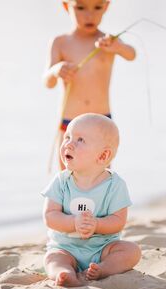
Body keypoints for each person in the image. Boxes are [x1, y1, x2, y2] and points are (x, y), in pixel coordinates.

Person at [41, 113, 141, 287]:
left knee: (132, 251)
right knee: (52, 258)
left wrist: (96, 225)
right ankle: (64, 272)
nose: (69, 144)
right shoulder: (61, 181)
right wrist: (73, 222)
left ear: (102, 156)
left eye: (80, 140)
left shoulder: (115, 185)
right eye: (68, 137)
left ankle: (103, 268)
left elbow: (118, 221)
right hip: (66, 248)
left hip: (102, 249)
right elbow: (50, 216)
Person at [43, 0, 136, 169]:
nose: (89, 15)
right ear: (66, 6)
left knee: (101, 180)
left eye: (97, 7)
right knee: (67, 180)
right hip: (70, 123)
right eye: (80, 7)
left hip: (101, 123)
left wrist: (118, 46)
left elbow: (131, 54)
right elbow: (47, 82)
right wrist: (57, 70)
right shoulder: (61, 42)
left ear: (106, 7)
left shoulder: (108, 42)